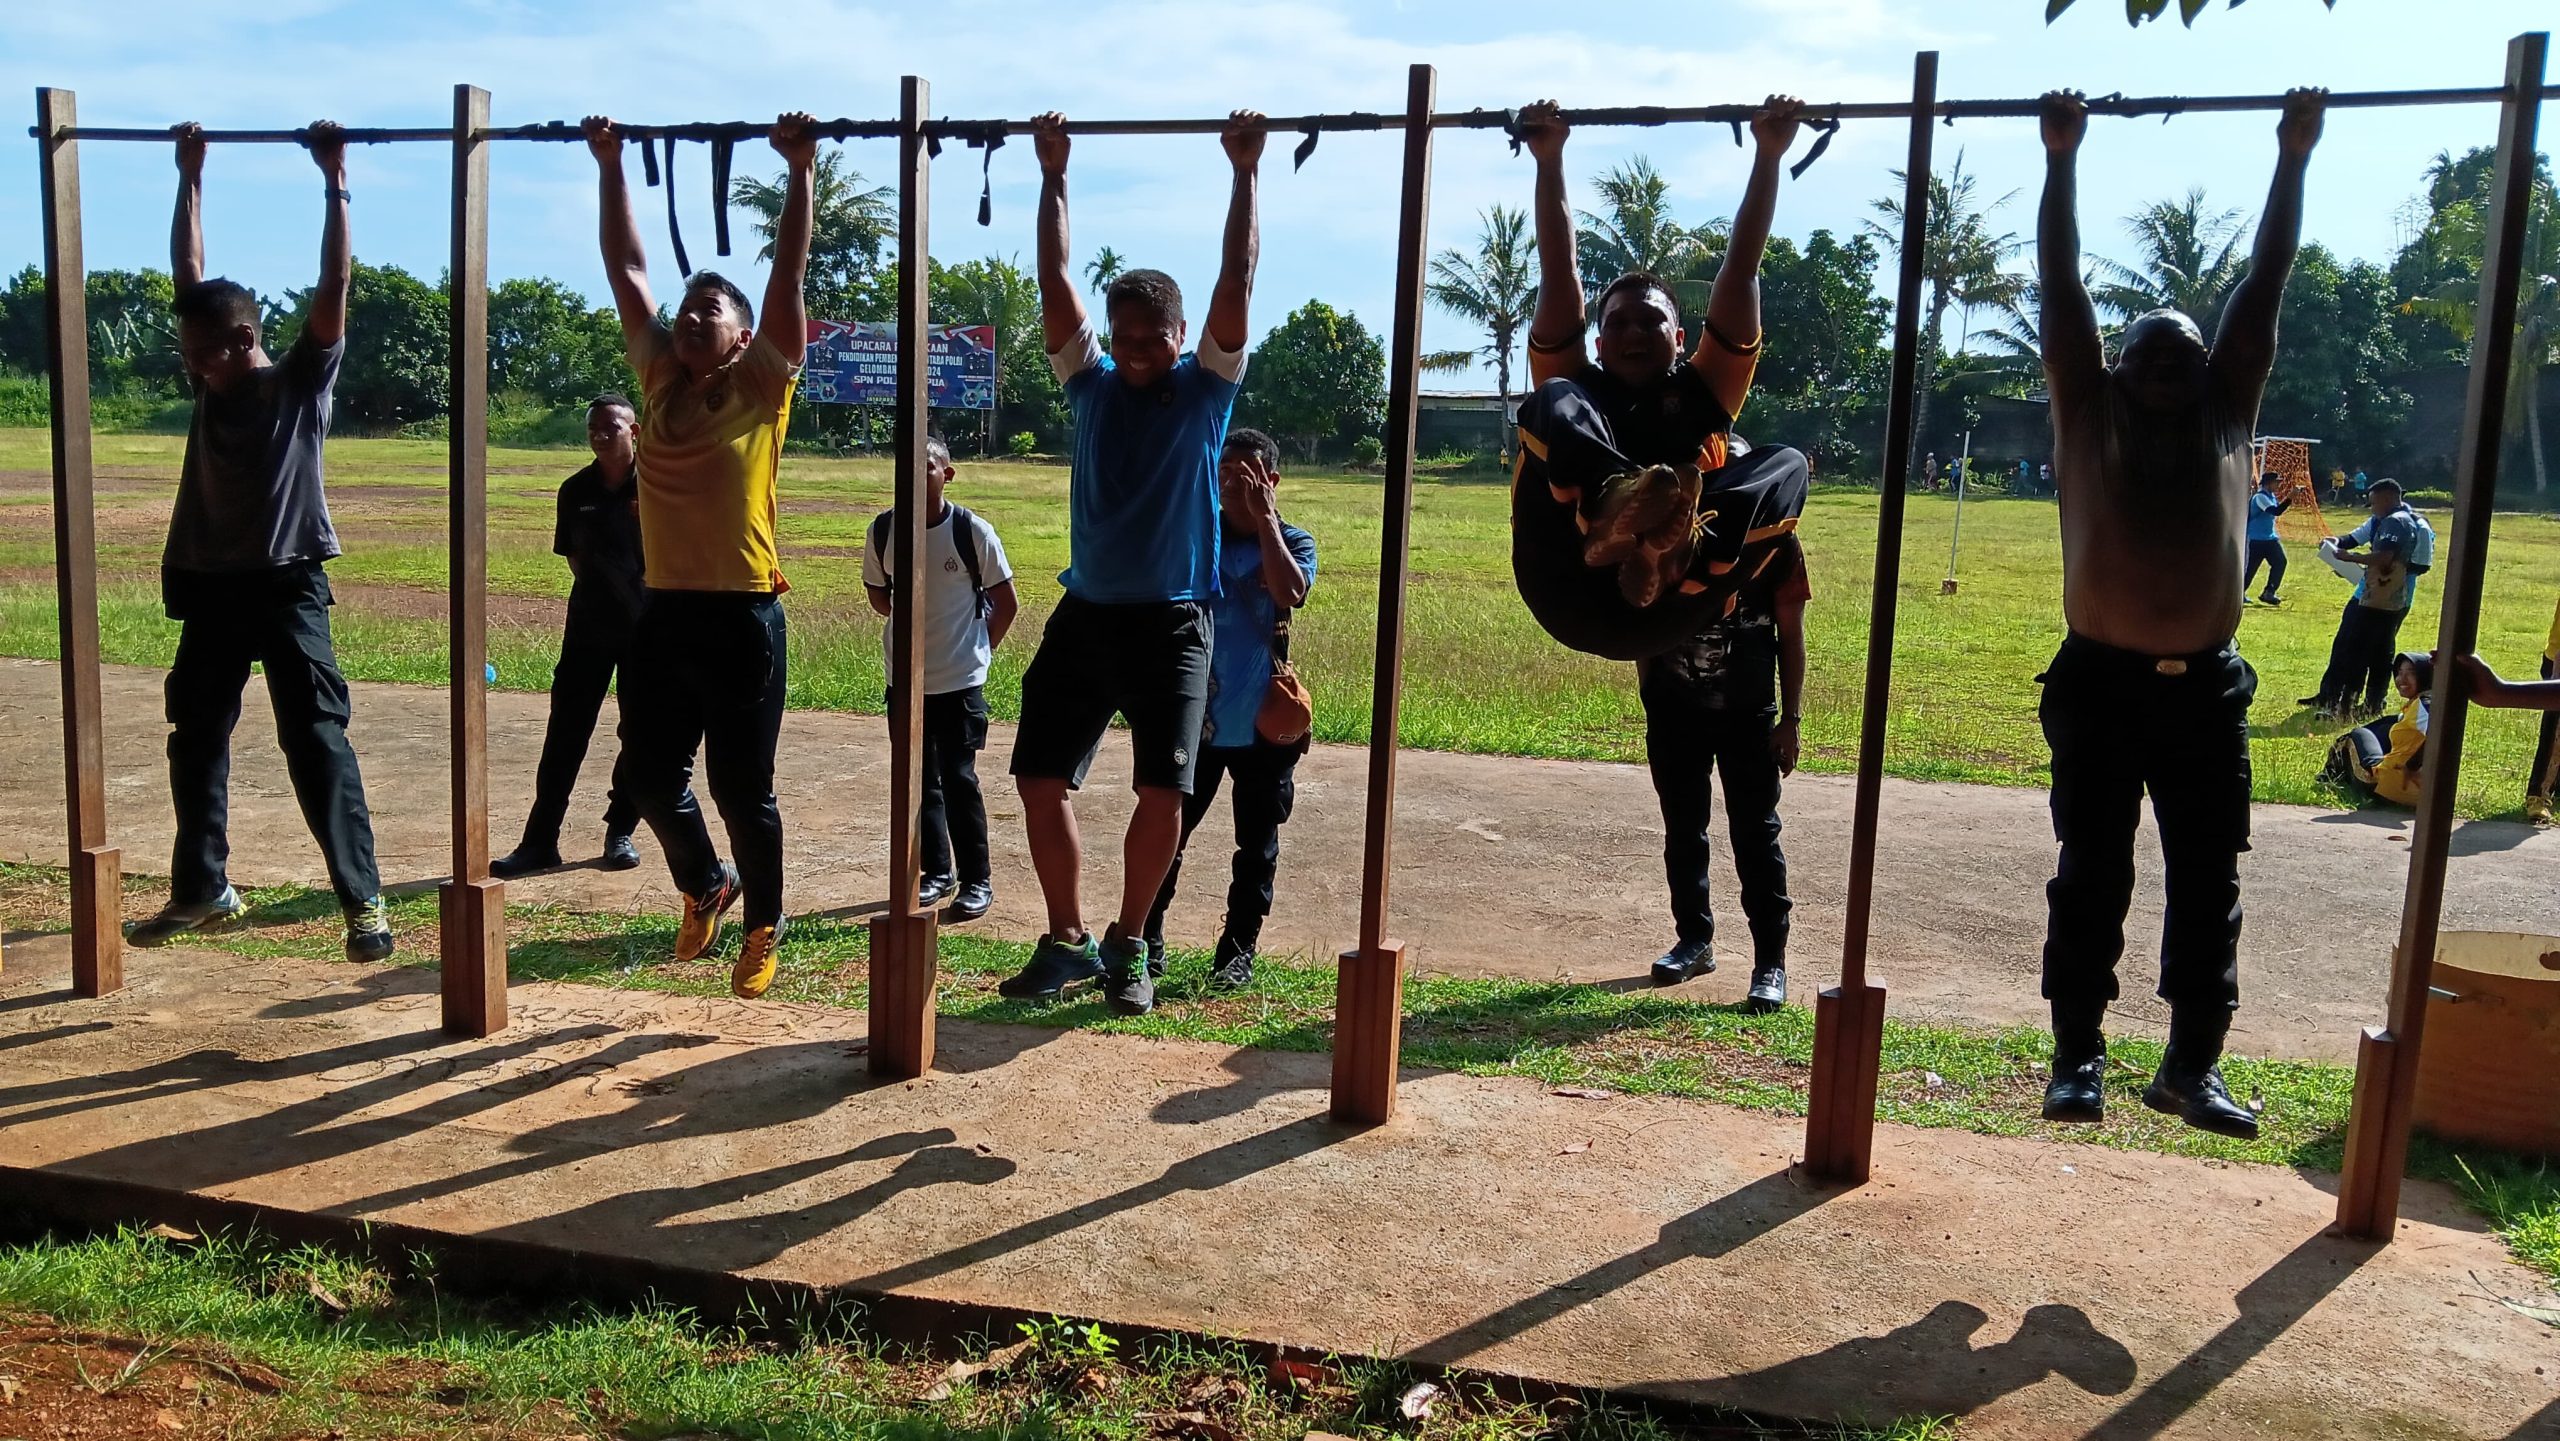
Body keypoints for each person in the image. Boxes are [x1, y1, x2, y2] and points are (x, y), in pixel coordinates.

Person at [2029, 86, 2323, 1141]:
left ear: (2210, 369)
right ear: (2113, 364)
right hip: (2098, 685)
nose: (2165, 364)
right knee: (2092, 871)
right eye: (2146, 352)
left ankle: (2190, 1066)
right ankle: (2076, 1059)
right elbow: (2058, 285)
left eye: (2182, 354)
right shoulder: (2082, 406)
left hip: (2205, 691)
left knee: (2208, 875)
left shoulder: (2228, 414)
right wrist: (2061, 158)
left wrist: (2291, 156)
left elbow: (2263, 285)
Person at [994, 108, 1266, 1017]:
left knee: (1164, 788)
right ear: (1111, 334)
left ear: (1182, 335)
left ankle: (1132, 939)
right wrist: (1053, 172)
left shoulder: (1207, 391)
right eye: (1128, 334)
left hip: (1175, 618)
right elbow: (1053, 276)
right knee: (1038, 776)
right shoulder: (1088, 384)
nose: (1142, 349)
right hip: (1088, 614)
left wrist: (1245, 170)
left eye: (1158, 335)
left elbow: (1238, 273)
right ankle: (1068, 938)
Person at [127, 120, 392, 964]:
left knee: (315, 737)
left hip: (285, 584)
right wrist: (190, 174)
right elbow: (189, 276)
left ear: (246, 341)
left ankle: (364, 901)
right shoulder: (211, 371)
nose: (194, 368)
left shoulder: (298, 383)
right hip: (211, 584)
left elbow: (334, 282)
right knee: (195, 733)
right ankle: (203, 885)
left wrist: (335, 177)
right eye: (190, 355)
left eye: (206, 356)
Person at [583, 111, 817, 999]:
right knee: (646, 776)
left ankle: (765, 920)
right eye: (686, 309)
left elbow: (788, 271)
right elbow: (628, 269)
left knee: (740, 784)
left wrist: (800, 173)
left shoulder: (761, 384)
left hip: (743, 612)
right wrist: (610, 163)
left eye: (708, 310)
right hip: (666, 610)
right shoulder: (657, 380)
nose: (687, 317)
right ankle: (706, 883)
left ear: (744, 334)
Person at [1507, 97, 1811, 665]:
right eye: (1617, 323)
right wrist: (1549, 160)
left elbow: (1740, 270)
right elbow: (1559, 271)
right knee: (1551, 398)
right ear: (1597, 344)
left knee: (1787, 464)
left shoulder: (1705, 389)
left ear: (1681, 339)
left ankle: (1677, 549)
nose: (1634, 332)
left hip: (1673, 604)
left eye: (1652, 321)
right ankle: (1607, 502)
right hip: (1564, 581)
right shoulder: (1580, 387)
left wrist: (1769, 154)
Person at [1138, 427, 1317, 989]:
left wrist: (1264, 518)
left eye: (1248, 472)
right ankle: (1148, 938)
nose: (1234, 482)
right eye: (1225, 471)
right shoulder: (1199, 537)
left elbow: (1290, 592)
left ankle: (1237, 951)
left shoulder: (1292, 539)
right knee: (1170, 832)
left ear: (1272, 479)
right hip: (1196, 720)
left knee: (1256, 844)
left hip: (1263, 723)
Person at [1638, 520, 1808, 1009]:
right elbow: (1644, 623)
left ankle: (1770, 963)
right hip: (1676, 712)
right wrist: (1651, 696)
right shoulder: (1672, 534)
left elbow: (1790, 635)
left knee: (1756, 836)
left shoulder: (1777, 545)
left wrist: (1790, 719)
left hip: (1748, 717)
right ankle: (1694, 941)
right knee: (1683, 829)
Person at [492, 395, 658, 878]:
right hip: (588, 629)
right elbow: (575, 560)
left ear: (636, 431)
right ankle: (539, 841)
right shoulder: (574, 490)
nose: (601, 434)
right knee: (565, 734)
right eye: (594, 428)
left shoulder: (656, 485)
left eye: (611, 426)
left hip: (646, 632)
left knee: (639, 735)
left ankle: (619, 831)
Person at [862, 435, 1019, 922]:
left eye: (926, 466)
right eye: (906, 467)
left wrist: (975, 654)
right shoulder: (884, 530)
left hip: (960, 684)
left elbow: (1007, 603)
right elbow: (878, 595)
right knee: (916, 782)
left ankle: (976, 881)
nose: (915, 476)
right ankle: (936, 872)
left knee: (959, 779)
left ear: (947, 474)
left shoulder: (971, 532)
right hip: (905, 683)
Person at [2300, 479, 2422, 719]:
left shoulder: (2395, 522)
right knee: (2375, 653)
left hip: (2378, 599)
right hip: (2387, 599)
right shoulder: (2400, 521)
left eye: (2374, 501)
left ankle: (2344, 708)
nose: (2371, 506)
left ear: (2387, 498)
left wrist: (2349, 558)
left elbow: (2385, 557)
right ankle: (2365, 704)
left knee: (2357, 652)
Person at [2321, 653, 2430, 807]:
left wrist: (2412, 766)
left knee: (2356, 735)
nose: (2402, 679)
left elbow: (2438, 737)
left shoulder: (2424, 707)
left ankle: (2326, 778)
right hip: (2422, 794)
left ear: (2427, 675)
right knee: (2391, 723)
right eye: (2399, 672)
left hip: (2387, 785)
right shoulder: (2429, 703)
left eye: (2411, 673)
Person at [2240, 471, 2292, 606]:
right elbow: (2276, 511)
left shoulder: (2271, 496)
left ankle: (2269, 592)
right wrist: (2290, 498)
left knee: (2280, 562)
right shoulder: (2260, 497)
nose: (2279, 485)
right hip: (2256, 540)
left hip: (2269, 539)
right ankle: (2238, 594)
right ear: (2269, 483)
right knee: (2250, 569)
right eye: (2277, 482)